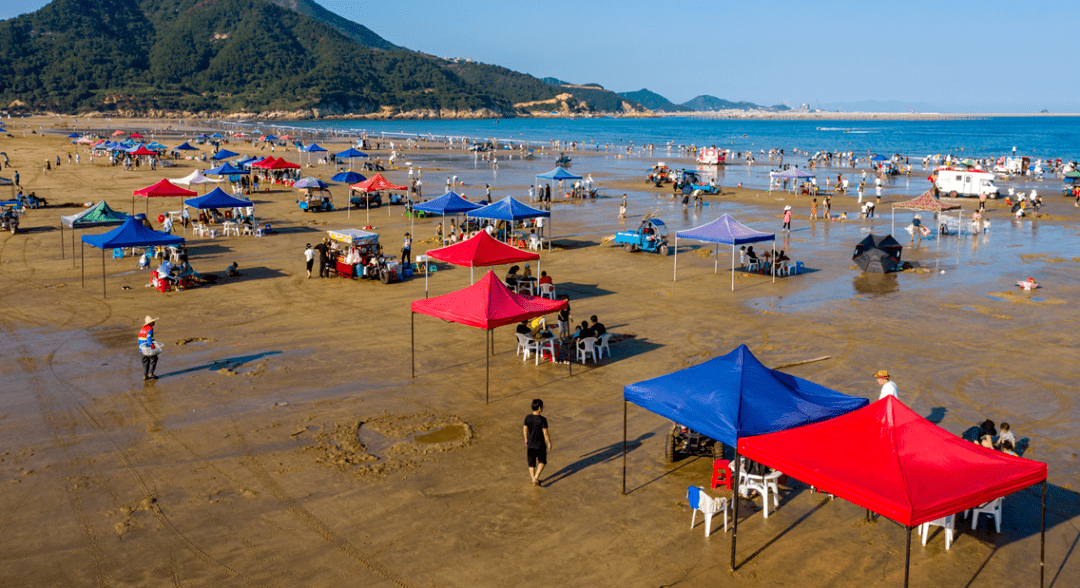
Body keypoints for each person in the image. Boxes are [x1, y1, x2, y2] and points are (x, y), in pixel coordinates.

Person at [523, 399, 551, 486]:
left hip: (530, 444)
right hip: (540, 445)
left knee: (531, 463)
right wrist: (549, 442)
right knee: (542, 461)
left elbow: (524, 429)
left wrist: (525, 439)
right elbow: (545, 433)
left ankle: (533, 479)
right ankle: (536, 477)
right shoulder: (542, 420)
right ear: (539, 408)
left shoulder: (527, 417)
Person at [138, 316, 160, 381]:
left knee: (145, 361)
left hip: (142, 349)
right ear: (151, 323)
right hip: (147, 348)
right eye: (153, 321)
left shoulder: (142, 329)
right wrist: (152, 345)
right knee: (154, 358)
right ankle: (151, 373)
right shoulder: (150, 329)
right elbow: (149, 338)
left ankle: (145, 375)